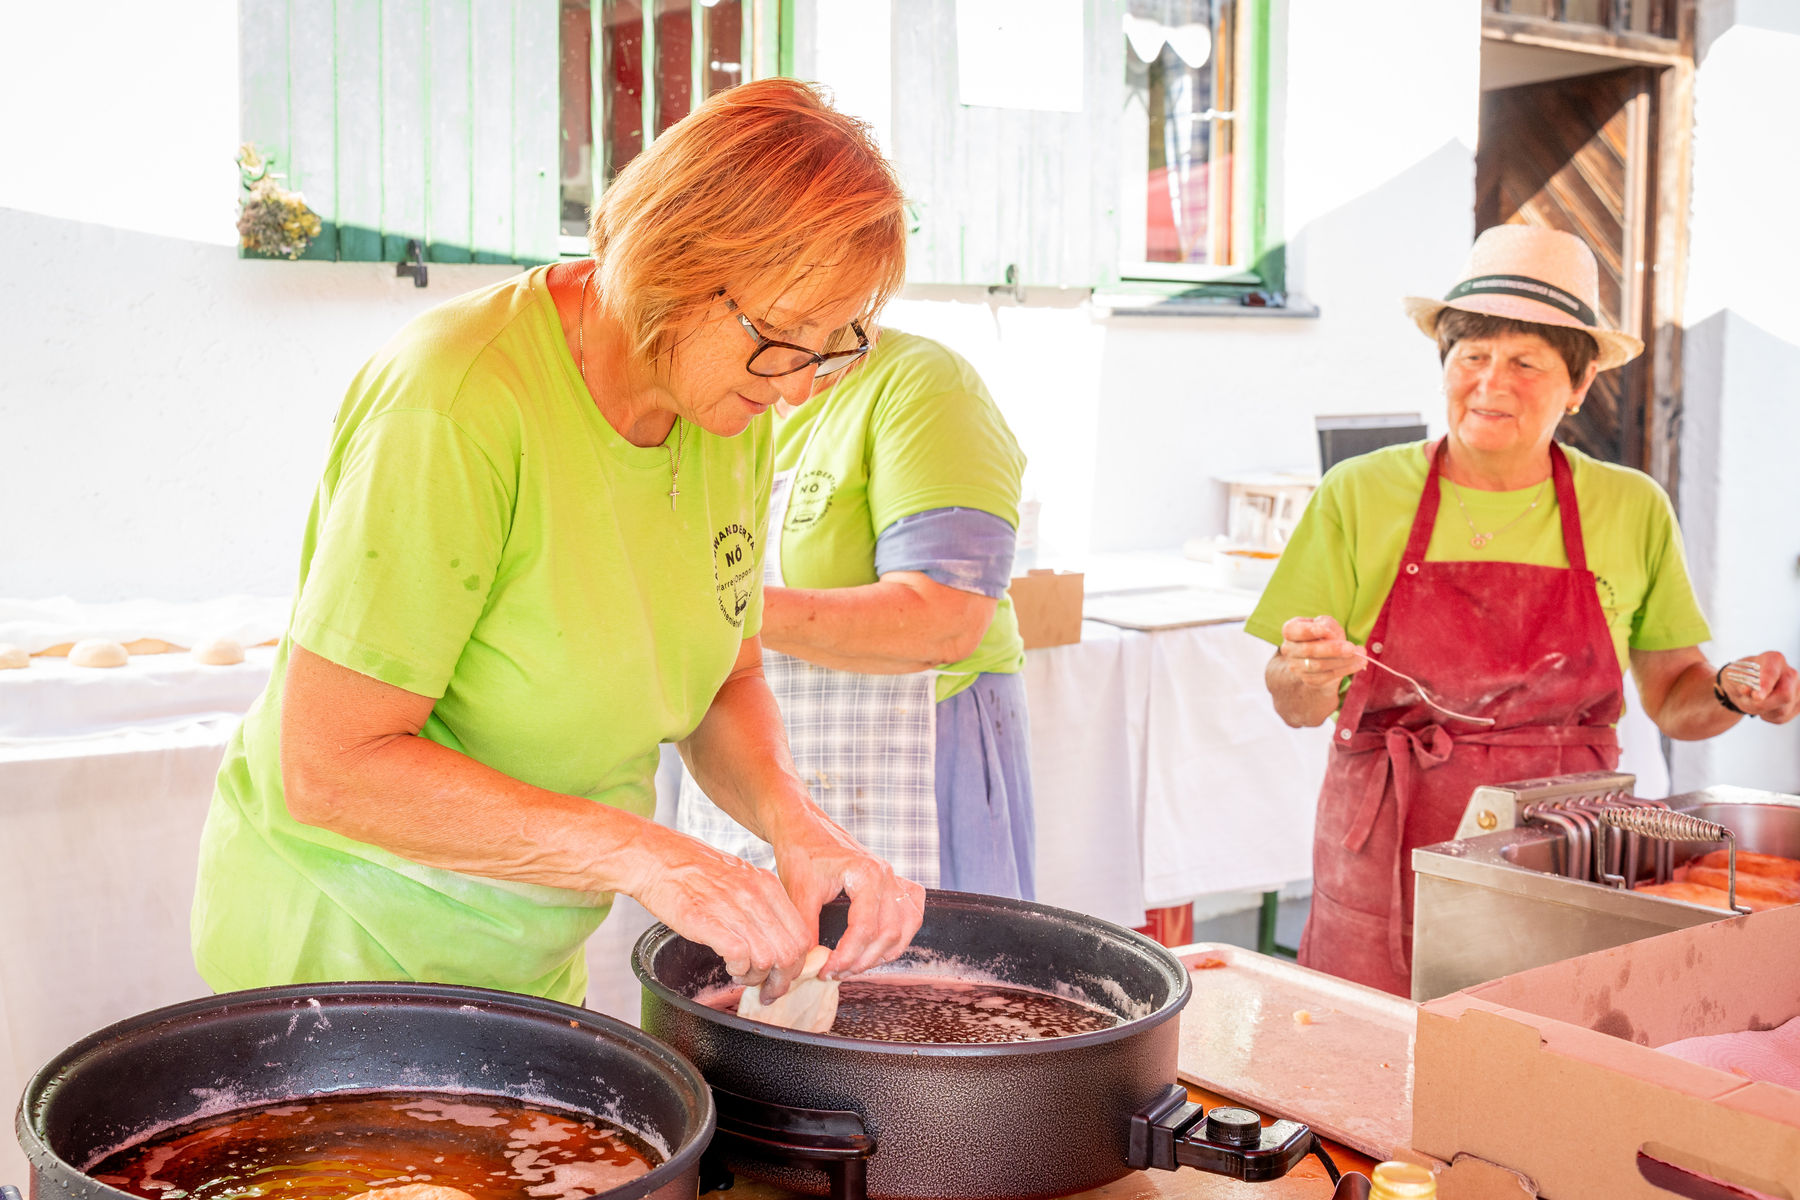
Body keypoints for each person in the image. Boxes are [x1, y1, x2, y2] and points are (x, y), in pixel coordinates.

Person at [191, 79, 926, 1007]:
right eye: (784, 338)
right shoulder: (454, 404)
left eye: (837, 344)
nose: (799, 388)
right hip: (347, 955)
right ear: (675, 261)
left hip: (525, 946)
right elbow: (332, 766)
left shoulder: (726, 409)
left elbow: (720, 683)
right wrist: (648, 856)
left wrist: (797, 824)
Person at [1246, 224, 1800, 997]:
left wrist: (1733, 691)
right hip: (1389, 843)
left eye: (1525, 362)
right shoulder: (1360, 492)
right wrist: (1303, 668)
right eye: (1471, 356)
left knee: (1551, 1044)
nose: (1489, 382)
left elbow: (1677, 696)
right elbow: (1295, 701)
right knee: (1368, 1051)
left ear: (1578, 385)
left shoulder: (1629, 507)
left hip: (1565, 846)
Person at [676, 331, 1034, 897]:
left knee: (921, 971)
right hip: (748, 762)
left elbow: (945, 618)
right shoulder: (720, 397)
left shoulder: (927, 386)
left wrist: (707, 608)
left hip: (910, 761)